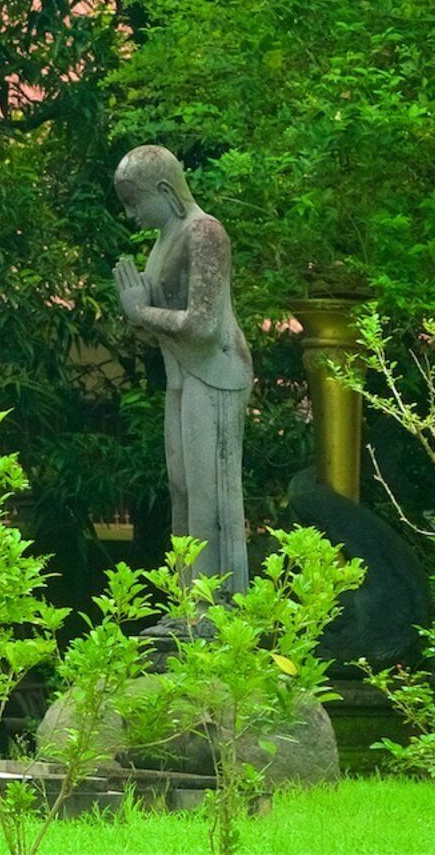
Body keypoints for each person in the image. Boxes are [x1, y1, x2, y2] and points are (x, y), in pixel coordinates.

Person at [113, 144, 250, 594]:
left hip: (215, 371)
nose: (131, 214)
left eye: (135, 202)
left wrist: (141, 312)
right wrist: (143, 312)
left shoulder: (204, 232)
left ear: (165, 190)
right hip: (181, 374)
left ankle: (218, 601)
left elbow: (203, 326)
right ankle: (189, 602)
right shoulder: (162, 239)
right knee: (182, 486)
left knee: (209, 487)